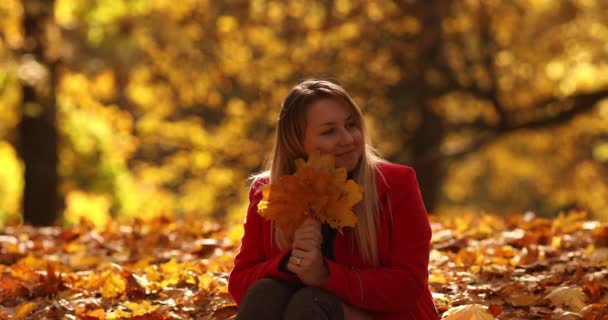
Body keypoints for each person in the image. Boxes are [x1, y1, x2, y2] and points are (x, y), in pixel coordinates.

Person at [228, 79, 438, 320]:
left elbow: (407, 285)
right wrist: (288, 263)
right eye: (329, 131)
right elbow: (240, 283)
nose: (347, 139)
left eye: (351, 125)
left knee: (311, 303)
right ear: (296, 143)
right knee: (265, 292)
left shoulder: (396, 183)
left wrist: (324, 275)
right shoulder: (270, 192)